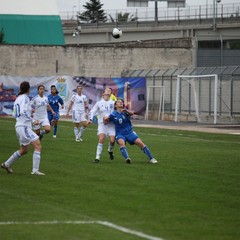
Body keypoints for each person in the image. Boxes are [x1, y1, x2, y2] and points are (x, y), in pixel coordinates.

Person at [1, 81, 45, 175]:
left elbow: (14, 113)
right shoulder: (25, 98)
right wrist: (34, 120)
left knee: (24, 150)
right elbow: (23, 112)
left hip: (19, 126)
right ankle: (35, 170)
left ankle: (7, 164)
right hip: (24, 126)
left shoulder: (18, 98)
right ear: (28, 89)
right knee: (38, 146)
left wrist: (30, 111)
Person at [104, 98, 158, 164]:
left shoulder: (125, 112)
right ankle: (127, 158)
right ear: (115, 105)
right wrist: (105, 119)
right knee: (122, 143)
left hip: (129, 132)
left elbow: (132, 113)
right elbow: (106, 122)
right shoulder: (113, 114)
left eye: (121, 102)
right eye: (118, 102)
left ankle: (151, 158)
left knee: (141, 144)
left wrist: (126, 110)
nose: (120, 102)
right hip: (120, 134)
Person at [89, 89, 115, 163]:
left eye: (108, 92)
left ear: (110, 94)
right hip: (102, 124)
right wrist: (90, 119)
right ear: (102, 94)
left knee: (112, 141)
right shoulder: (99, 103)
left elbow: (117, 112)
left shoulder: (113, 103)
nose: (107, 93)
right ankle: (97, 158)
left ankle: (110, 150)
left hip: (111, 124)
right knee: (101, 139)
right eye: (105, 92)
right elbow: (92, 111)